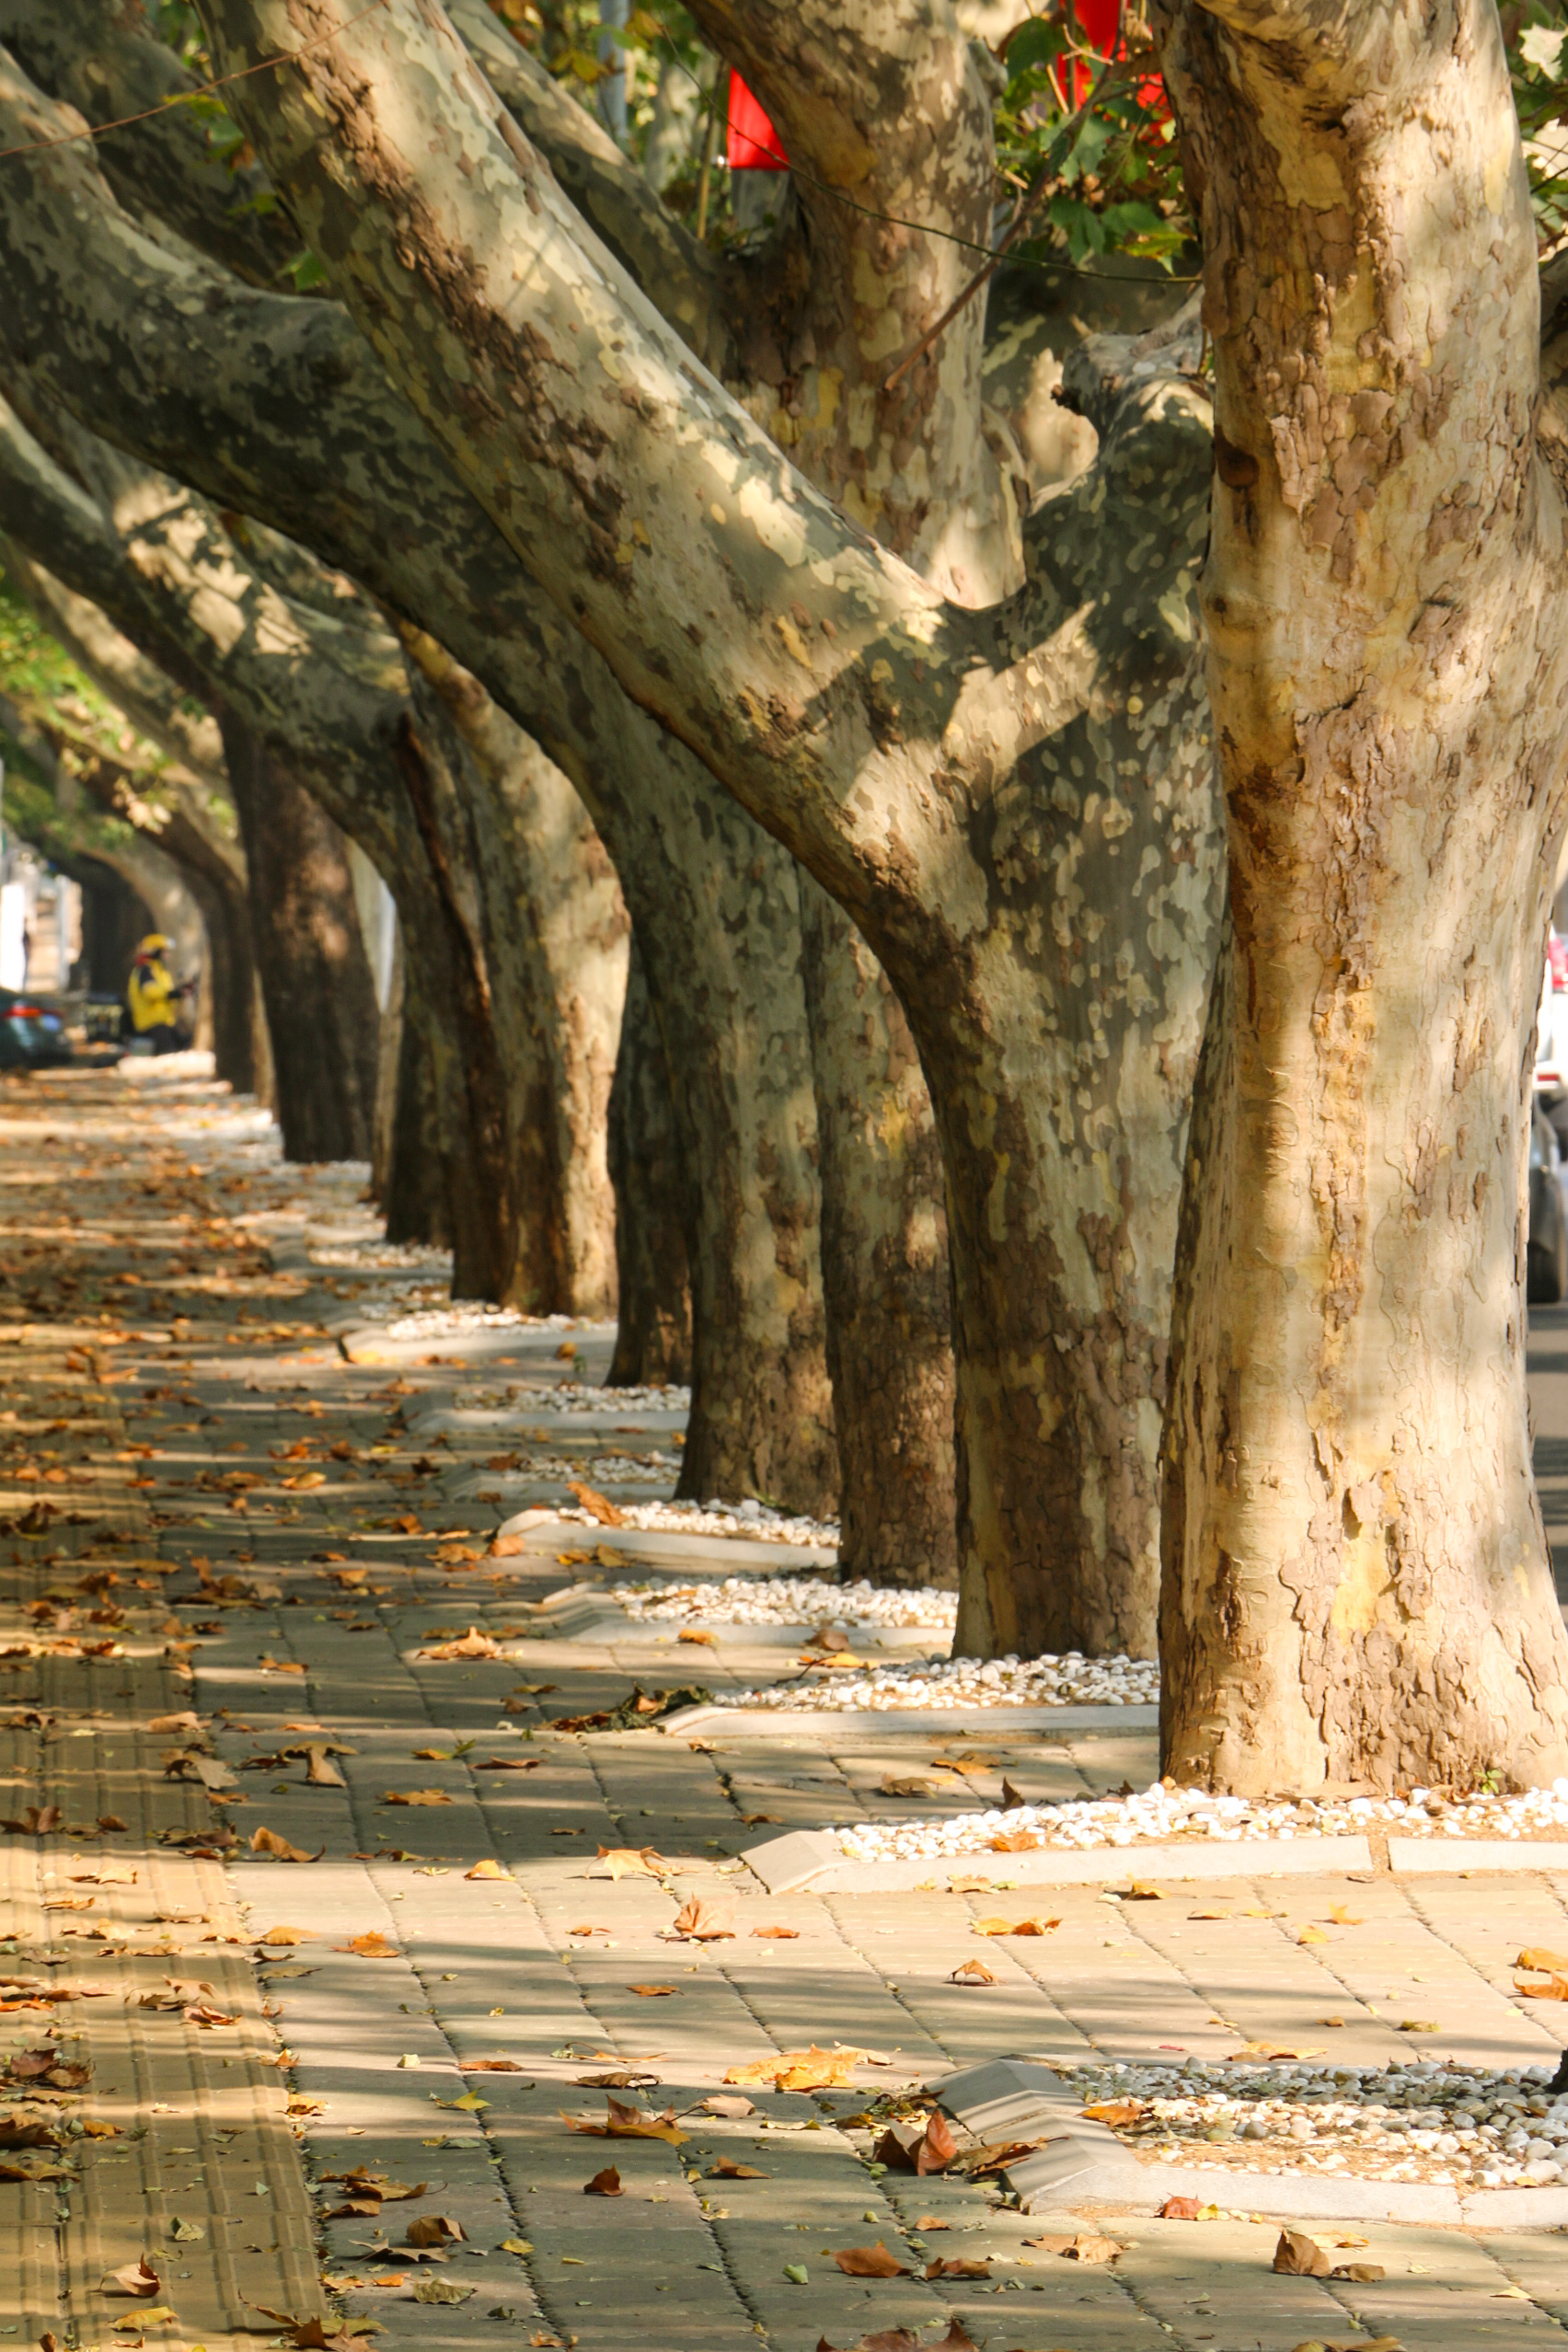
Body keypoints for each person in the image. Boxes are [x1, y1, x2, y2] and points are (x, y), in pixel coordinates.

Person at [123, 935, 192, 1055]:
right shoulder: (146, 970)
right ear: (156, 951)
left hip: (163, 1022)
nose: (167, 955)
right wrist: (174, 994)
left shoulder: (158, 970)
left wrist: (179, 993)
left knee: (185, 1043)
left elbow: (165, 992)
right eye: (164, 951)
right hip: (151, 1023)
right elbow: (150, 992)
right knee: (168, 1052)